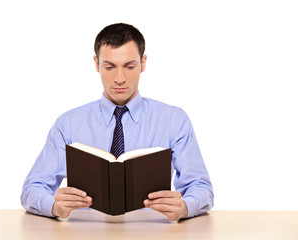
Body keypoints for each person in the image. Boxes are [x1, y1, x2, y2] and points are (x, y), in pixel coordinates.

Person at [20, 23, 214, 221]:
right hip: (85, 231)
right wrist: (54, 206)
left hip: (152, 230)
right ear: (96, 64)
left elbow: (201, 188)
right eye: (109, 67)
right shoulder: (68, 123)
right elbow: (32, 189)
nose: (119, 79)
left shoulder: (173, 120)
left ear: (143, 63)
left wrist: (184, 208)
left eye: (129, 66)